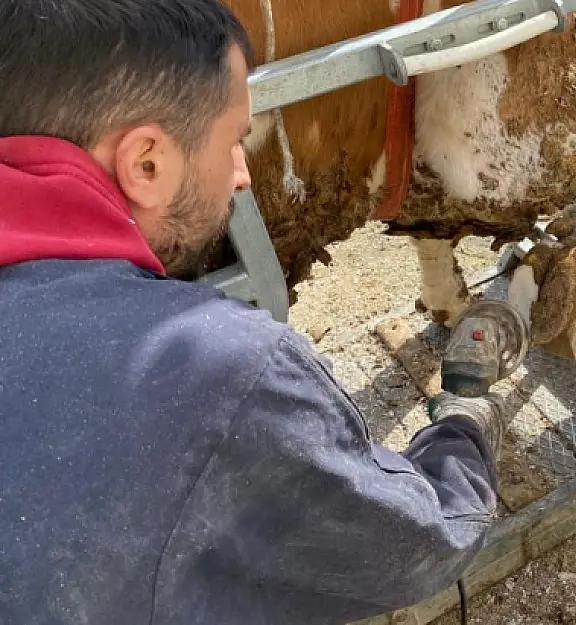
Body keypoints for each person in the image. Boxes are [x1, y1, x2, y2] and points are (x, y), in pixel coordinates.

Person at [0, 0, 523, 623]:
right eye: (234, 141)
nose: (242, 175)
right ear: (146, 163)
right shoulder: (212, 371)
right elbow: (417, 542)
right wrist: (463, 420)